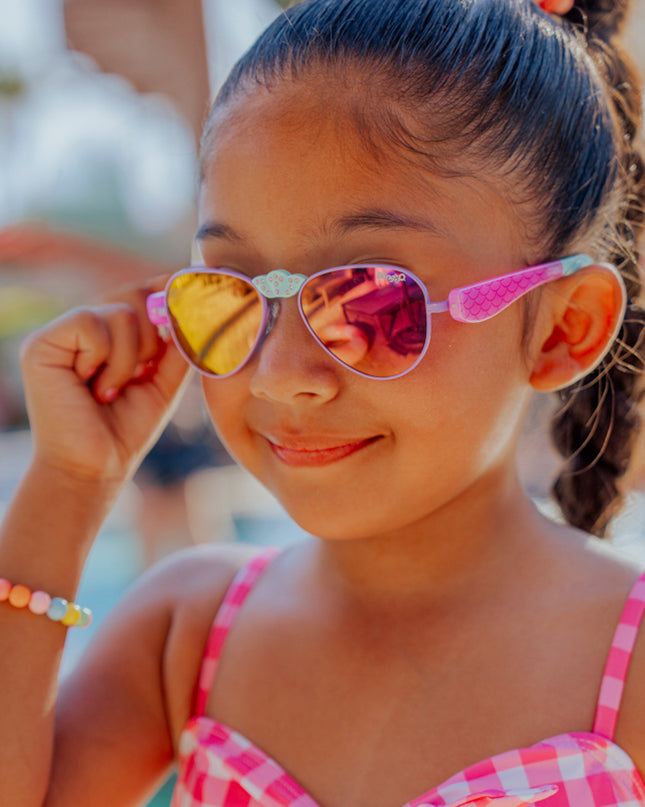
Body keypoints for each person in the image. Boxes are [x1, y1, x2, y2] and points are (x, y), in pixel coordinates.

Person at [1, 0, 645, 805]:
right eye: (232, 294)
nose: (277, 373)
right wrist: (66, 483)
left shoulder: (628, 668)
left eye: (368, 301)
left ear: (561, 328)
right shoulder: (187, 633)